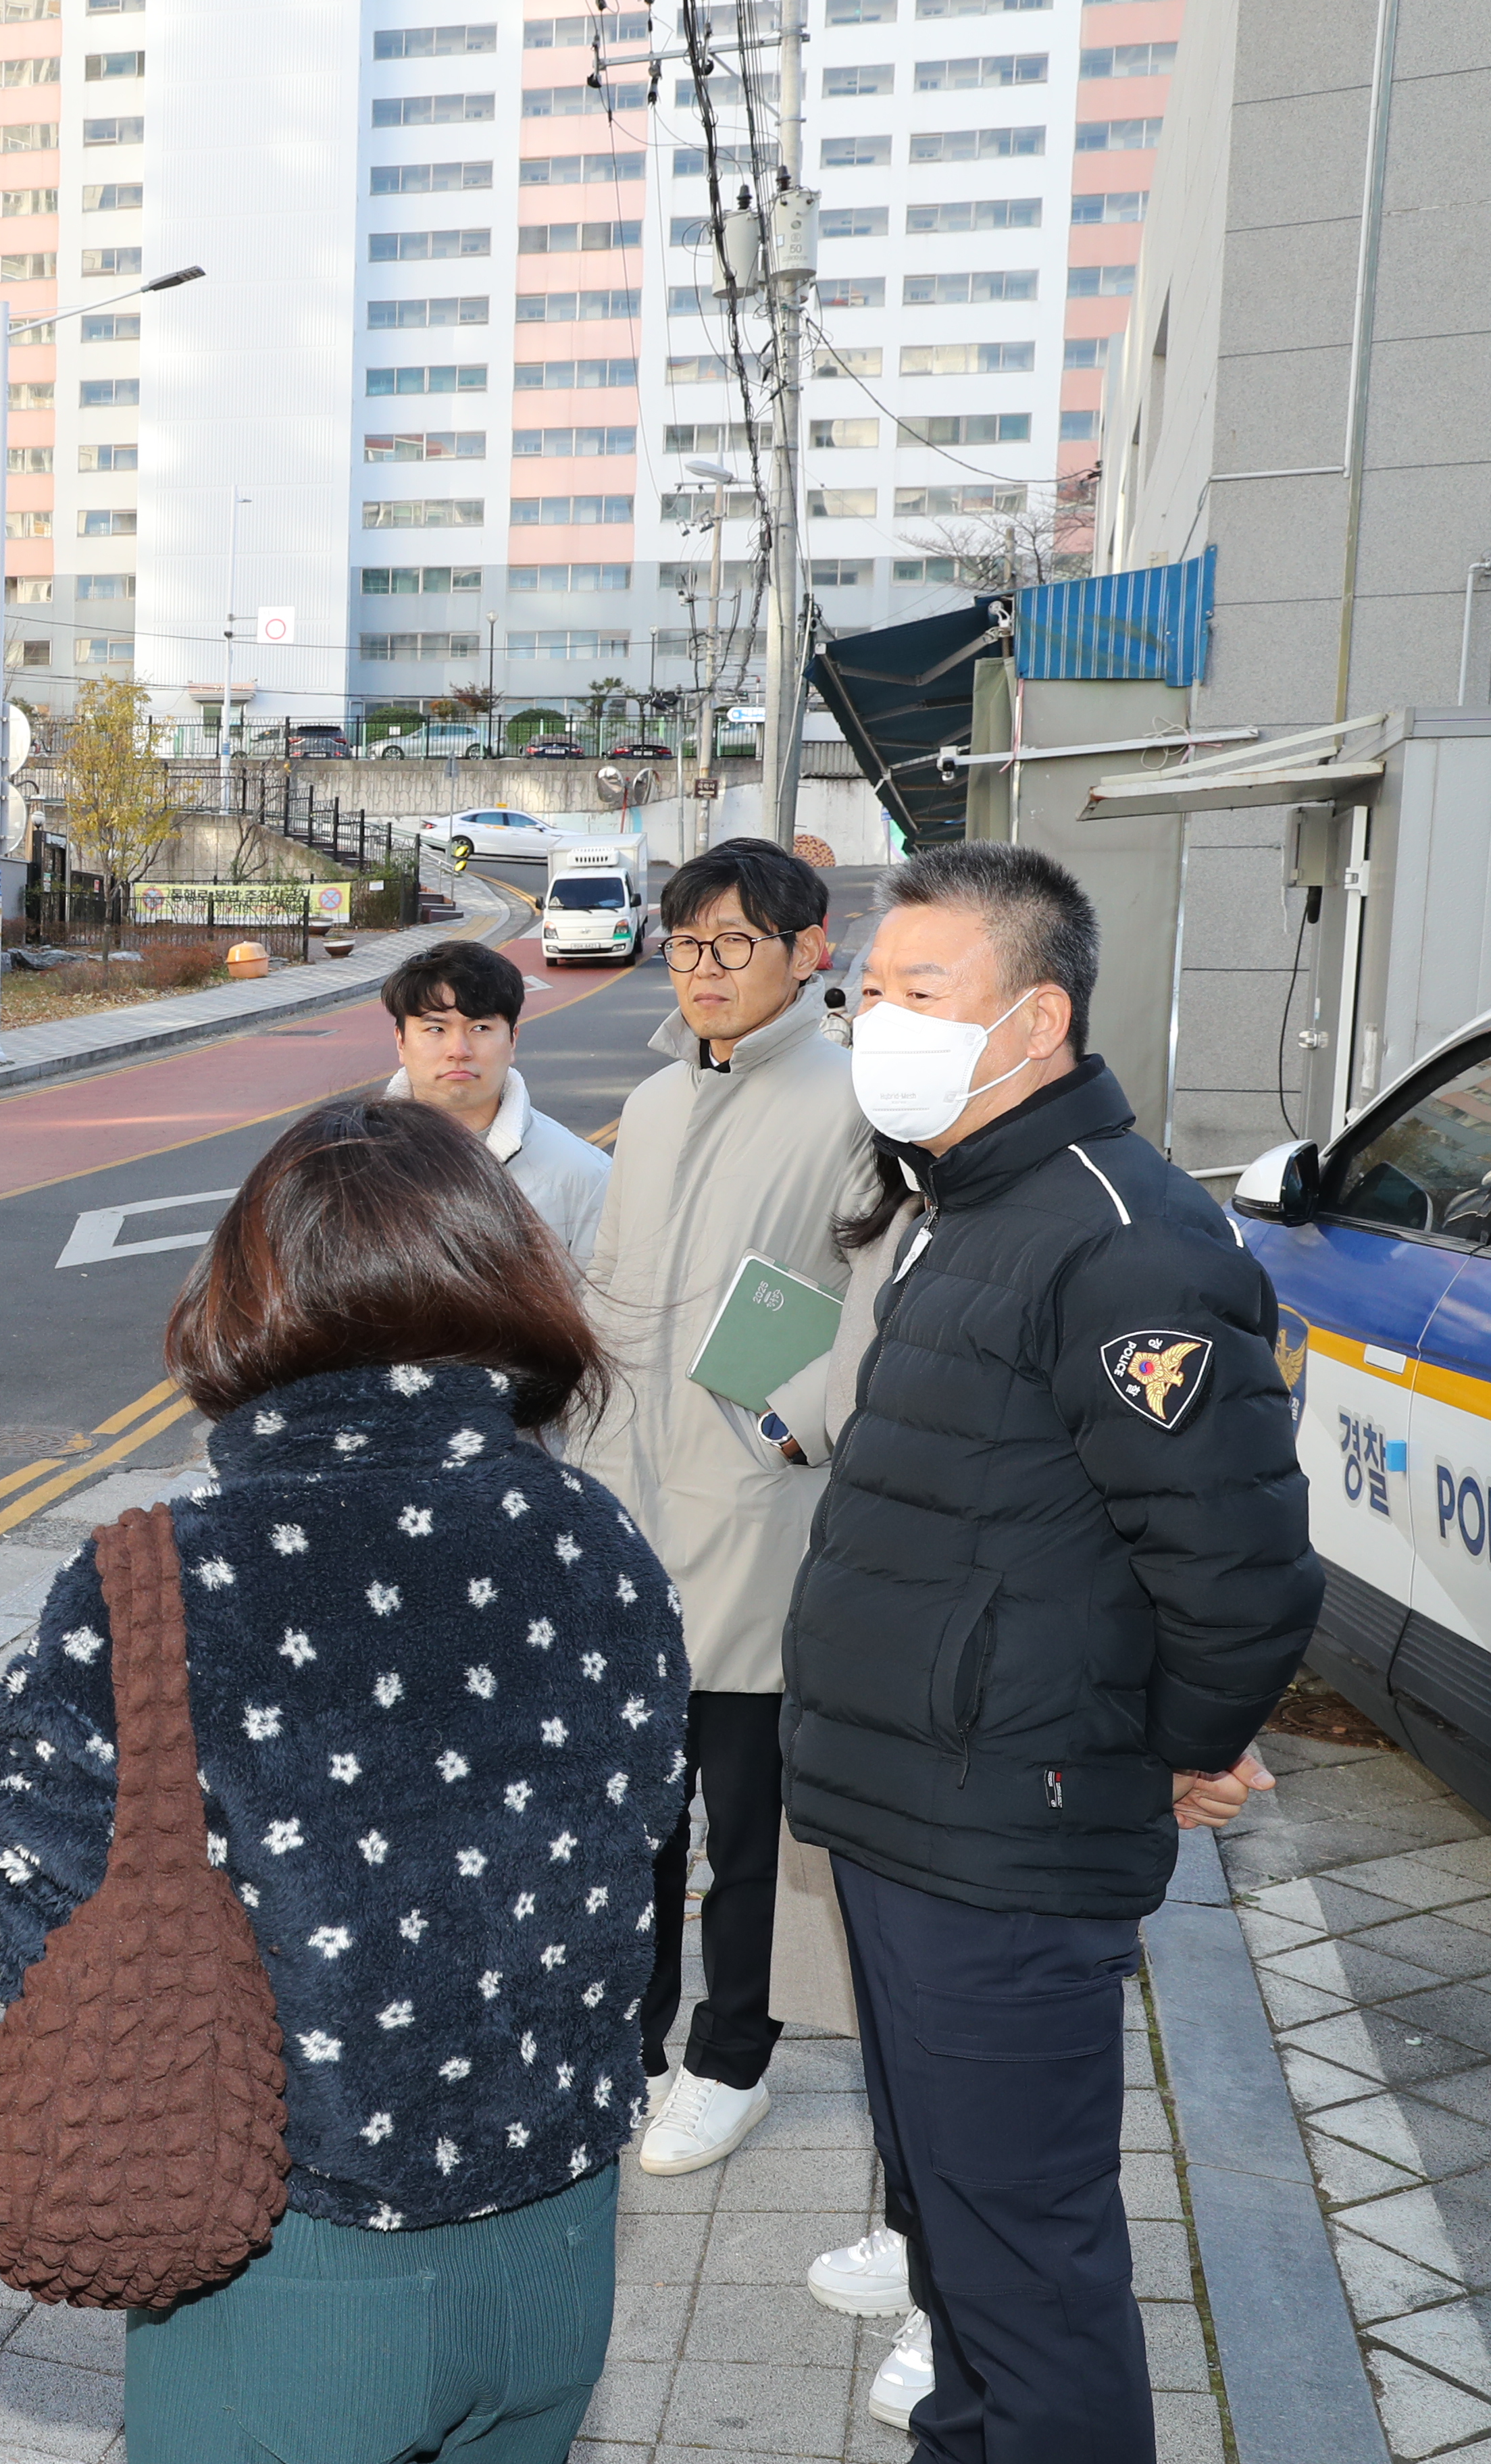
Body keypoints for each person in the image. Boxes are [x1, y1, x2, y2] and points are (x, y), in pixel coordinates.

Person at [0, 1096, 687, 2464]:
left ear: (249, 1295)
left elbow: (44, 1938)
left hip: (292, 2272)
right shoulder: (598, 1540)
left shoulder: (165, 1581)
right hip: (558, 2243)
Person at [782, 842, 1315, 2454]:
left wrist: (1173, 1746)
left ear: (1034, 1021)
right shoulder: (968, 1198)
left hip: (1007, 1835)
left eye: (917, 991)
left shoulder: (1116, 1235)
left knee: (1024, 2264)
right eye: (866, 991)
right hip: (906, 1815)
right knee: (955, 2246)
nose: (877, 1018)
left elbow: (1235, 1563)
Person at [564, 836, 874, 2178]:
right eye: (686, 944)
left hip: (759, 1517)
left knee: (748, 1824)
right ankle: (629, 2043)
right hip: (631, 1514)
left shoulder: (860, 1107)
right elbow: (610, 1287)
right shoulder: (657, 1103)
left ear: (810, 953)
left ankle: (730, 2056)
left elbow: (885, 1307)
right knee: (636, 1814)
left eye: (731, 944)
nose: (702, 970)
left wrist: (786, 1419)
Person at [380, 937, 610, 1257]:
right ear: (401, 1042)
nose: (458, 1051)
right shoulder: (351, 1163)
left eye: (481, 1029)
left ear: (512, 1041)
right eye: (436, 1029)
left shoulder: (585, 1175)